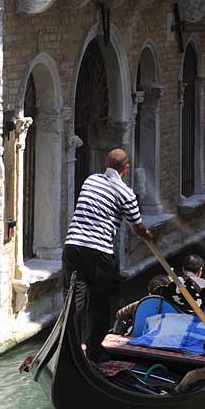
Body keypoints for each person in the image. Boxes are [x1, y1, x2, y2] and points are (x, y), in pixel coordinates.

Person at [62, 149, 154, 361]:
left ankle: (71, 348)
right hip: (99, 252)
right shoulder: (127, 194)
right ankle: (94, 349)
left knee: (74, 302)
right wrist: (148, 235)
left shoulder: (90, 181)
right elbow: (137, 227)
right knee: (99, 304)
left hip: (73, 247)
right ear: (126, 168)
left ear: (106, 164)